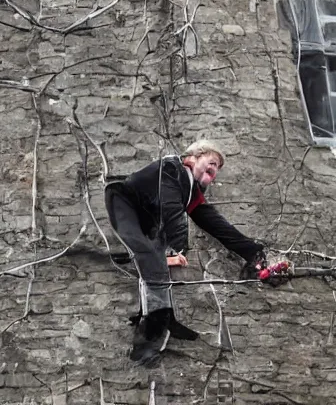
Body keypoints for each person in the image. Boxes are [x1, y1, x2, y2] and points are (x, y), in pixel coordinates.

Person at [104, 140, 267, 365]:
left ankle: (164, 318)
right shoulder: (173, 168)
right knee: (151, 257)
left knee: (155, 263)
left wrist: (252, 251)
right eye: (212, 162)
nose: (215, 170)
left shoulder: (191, 193)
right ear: (192, 158)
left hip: (147, 219)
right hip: (124, 203)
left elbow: (216, 224)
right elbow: (170, 208)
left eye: (218, 169)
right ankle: (145, 346)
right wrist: (176, 248)